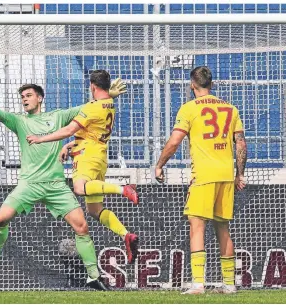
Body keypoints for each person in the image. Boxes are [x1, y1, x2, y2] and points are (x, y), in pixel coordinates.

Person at [0, 82, 124, 290]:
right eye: (22, 97)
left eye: (28, 95)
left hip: (56, 185)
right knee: (1, 218)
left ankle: (93, 277)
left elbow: (88, 108)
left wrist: (108, 95)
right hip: (29, 184)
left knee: (82, 227)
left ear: (40, 98)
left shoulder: (57, 116)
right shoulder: (19, 121)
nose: (24, 99)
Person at [26, 70, 139, 264]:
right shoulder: (109, 104)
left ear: (92, 86)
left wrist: (41, 139)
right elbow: (91, 133)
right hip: (99, 157)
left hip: (86, 157)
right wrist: (69, 145)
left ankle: (123, 189)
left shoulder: (92, 107)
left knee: (79, 187)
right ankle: (125, 235)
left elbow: (70, 129)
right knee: (95, 210)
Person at [154, 66, 247, 294]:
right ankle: (229, 285)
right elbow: (241, 143)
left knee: (197, 227)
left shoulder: (189, 109)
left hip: (203, 175)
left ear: (192, 85)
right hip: (225, 175)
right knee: (223, 228)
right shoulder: (230, 108)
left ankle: (198, 284)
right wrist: (240, 173)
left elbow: (175, 141)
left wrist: (159, 165)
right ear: (212, 84)